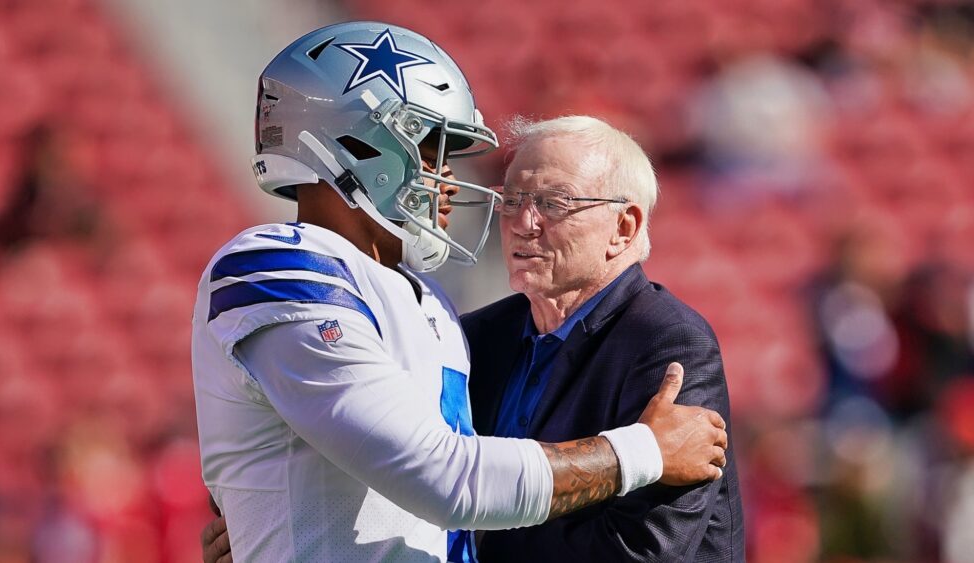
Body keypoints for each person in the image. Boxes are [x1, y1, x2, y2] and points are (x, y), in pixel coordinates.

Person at [192, 22, 727, 562]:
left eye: (555, 202)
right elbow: (445, 479)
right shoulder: (279, 266)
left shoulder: (434, 307)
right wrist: (642, 452)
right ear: (353, 143)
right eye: (427, 151)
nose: (447, 178)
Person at [463, 116, 745, 561]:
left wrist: (481, 538)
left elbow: (645, 550)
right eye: (511, 199)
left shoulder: (668, 342)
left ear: (624, 228)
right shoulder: (478, 335)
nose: (522, 222)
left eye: (554, 203)